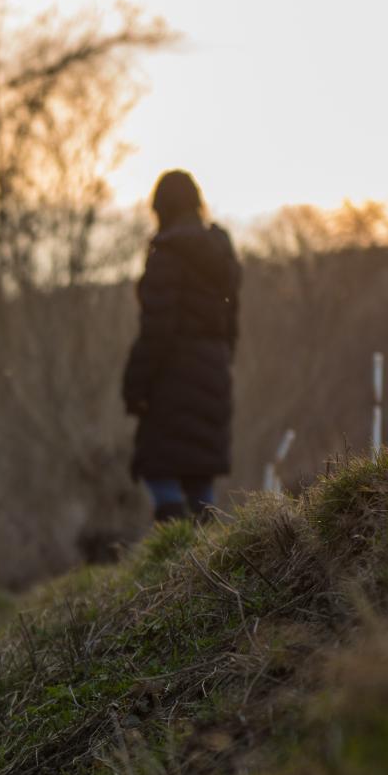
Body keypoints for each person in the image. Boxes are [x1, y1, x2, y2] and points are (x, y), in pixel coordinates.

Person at [121, 170, 242, 523]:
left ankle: (174, 543)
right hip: (214, 375)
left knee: (157, 467)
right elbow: (231, 325)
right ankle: (207, 550)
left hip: (171, 379)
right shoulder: (221, 255)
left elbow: (156, 330)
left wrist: (134, 386)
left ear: (161, 208)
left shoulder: (167, 254)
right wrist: (219, 365)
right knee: (198, 473)